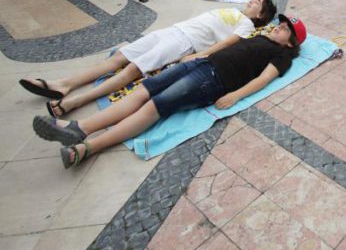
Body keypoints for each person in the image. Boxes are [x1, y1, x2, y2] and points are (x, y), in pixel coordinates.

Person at [33, 14, 306, 169]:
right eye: (280, 24)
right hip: (201, 64)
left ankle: (88, 147)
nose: (279, 27)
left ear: (291, 43)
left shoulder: (282, 56)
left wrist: (236, 95)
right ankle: (80, 127)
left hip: (212, 80)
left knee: (154, 107)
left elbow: (264, 79)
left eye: (286, 29)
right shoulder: (262, 36)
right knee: (142, 91)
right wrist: (199, 55)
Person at [20, 0, 277, 117]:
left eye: (260, 3)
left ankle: (76, 101)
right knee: (119, 57)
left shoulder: (246, 24)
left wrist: (199, 56)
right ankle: (64, 84)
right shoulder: (235, 11)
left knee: (133, 69)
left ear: (261, 16)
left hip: (185, 42)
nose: (255, 0)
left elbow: (228, 43)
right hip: (173, 30)